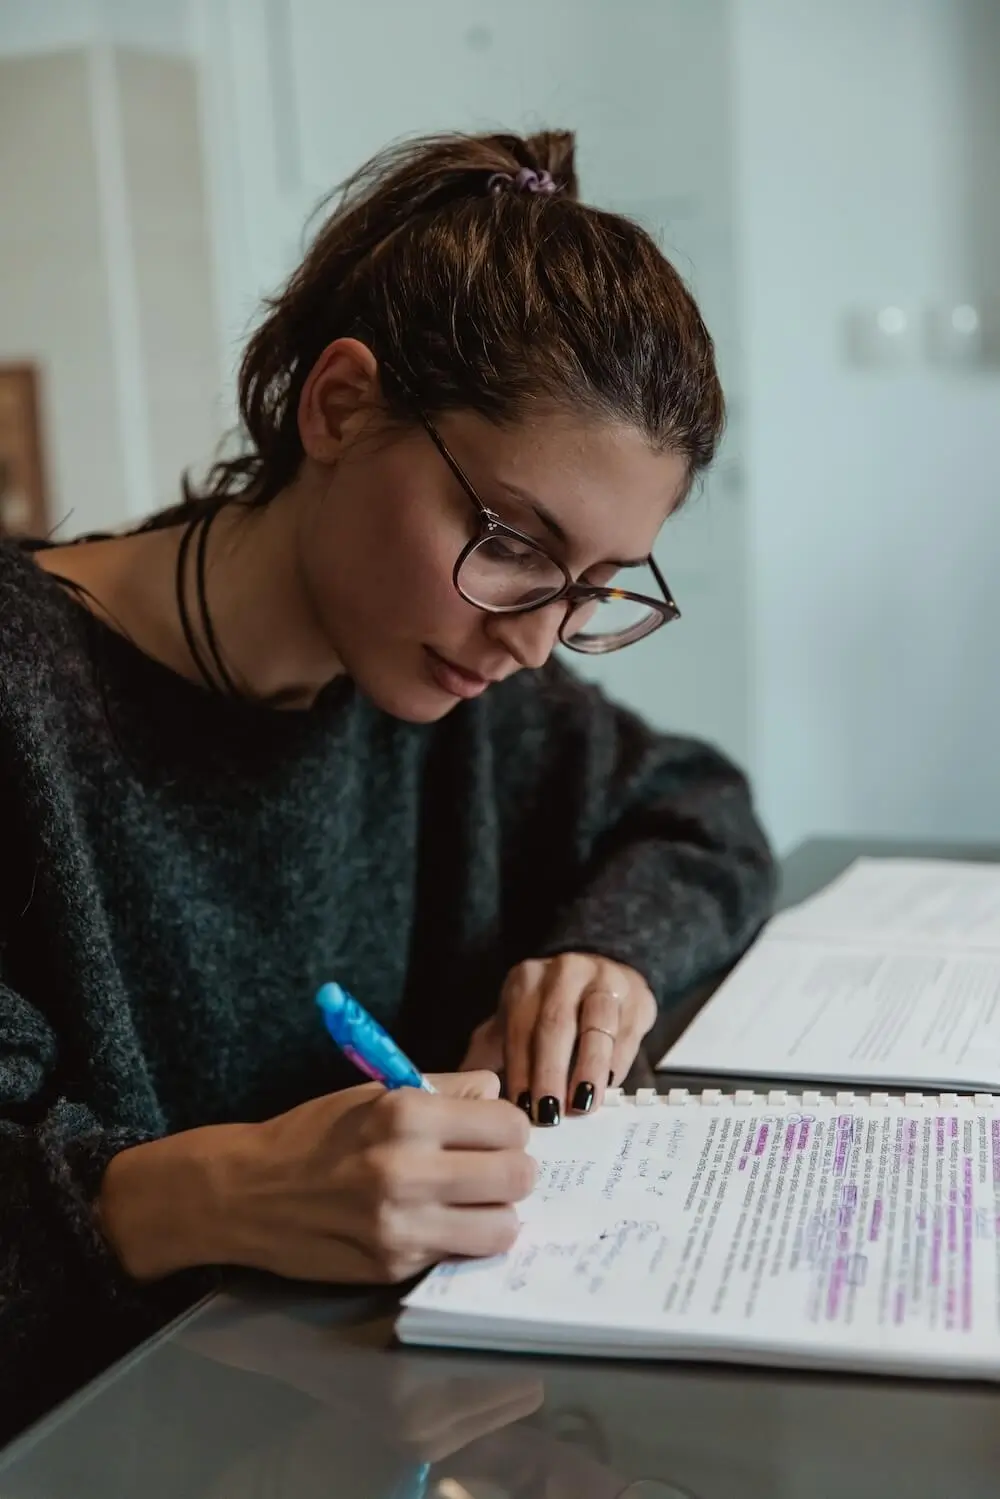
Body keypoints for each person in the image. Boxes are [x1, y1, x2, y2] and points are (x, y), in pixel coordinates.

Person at [0, 127, 774, 1441]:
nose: (532, 635)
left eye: (592, 589)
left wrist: (607, 955)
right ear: (340, 406)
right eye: (514, 543)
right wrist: (199, 1192)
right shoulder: (28, 701)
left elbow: (703, 812)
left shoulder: (454, 680)